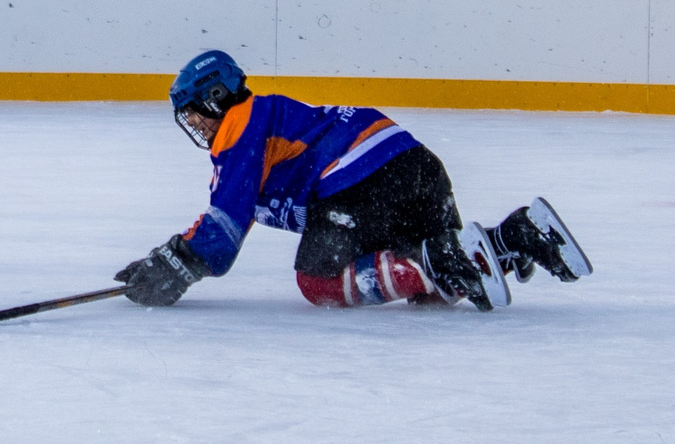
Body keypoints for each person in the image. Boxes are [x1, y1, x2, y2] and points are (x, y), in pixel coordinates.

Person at [115, 50, 590, 311]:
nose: (195, 124)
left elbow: (224, 229)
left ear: (217, 97)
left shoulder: (241, 123)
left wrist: (175, 263)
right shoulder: (263, 124)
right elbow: (230, 217)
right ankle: (519, 235)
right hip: (415, 167)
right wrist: (178, 255)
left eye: (196, 113)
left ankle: (439, 255)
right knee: (446, 284)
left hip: (361, 179)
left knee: (318, 280)